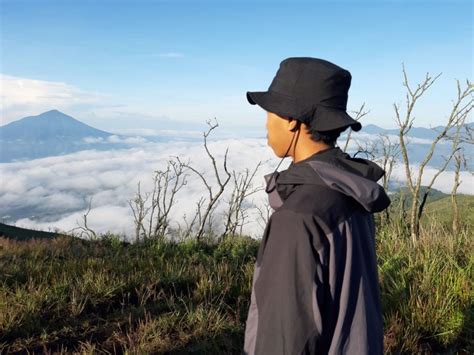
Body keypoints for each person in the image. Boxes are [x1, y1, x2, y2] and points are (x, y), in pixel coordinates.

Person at [243, 57, 390, 355]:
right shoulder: (350, 191)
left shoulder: (298, 217)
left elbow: (284, 338)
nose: (266, 123)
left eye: (270, 113)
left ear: (292, 120)